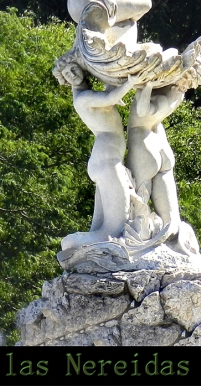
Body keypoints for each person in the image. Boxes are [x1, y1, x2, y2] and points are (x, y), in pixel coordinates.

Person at [53, 52, 141, 251]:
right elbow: (111, 96)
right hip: (107, 160)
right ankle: (73, 244)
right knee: (115, 228)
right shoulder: (82, 98)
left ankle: (78, 246)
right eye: (67, 74)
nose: (72, 74)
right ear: (64, 80)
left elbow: (109, 96)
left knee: (103, 227)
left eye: (74, 69)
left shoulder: (87, 94)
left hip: (106, 160)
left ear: (82, 70)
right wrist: (131, 82)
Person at [126, 82, 186, 233]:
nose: (182, 87)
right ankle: (173, 239)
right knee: (171, 222)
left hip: (142, 142)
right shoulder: (176, 98)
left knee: (137, 213)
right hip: (160, 143)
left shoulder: (159, 96)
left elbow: (142, 111)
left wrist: (146, 86)